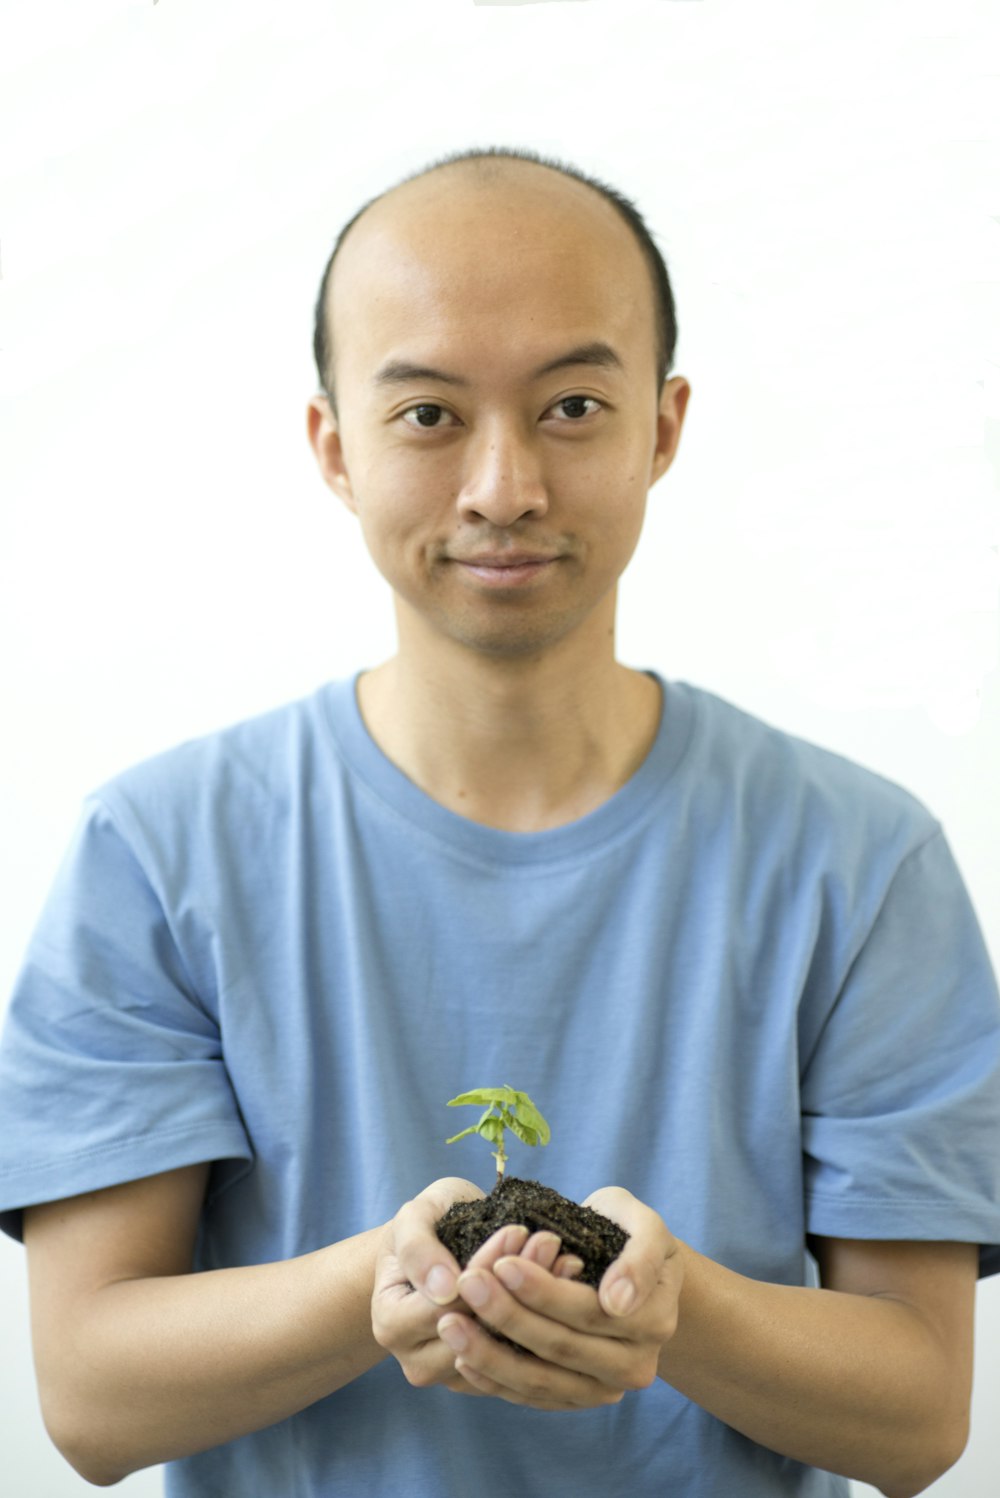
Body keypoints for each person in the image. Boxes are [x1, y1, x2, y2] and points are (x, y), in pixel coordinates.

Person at [1, 145, 999, 1498]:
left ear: (663, 424)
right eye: (427, 415)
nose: (502, 486)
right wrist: (381, 1281)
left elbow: (921, 1411)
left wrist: (673, 1310)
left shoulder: (861, 862)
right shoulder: (157, 852)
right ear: (333, 446)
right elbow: (90, 1394)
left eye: (573, 404)